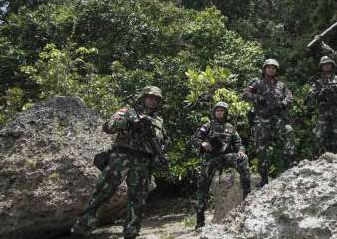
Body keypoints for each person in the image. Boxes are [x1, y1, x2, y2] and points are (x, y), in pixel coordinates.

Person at [71, 86, 168, 239]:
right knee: (102, 192)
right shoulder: (127, 111)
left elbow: (162, 141)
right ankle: (81, 229)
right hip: (121, 157)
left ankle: (131, 232)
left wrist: (160, 154)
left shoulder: (159, 121)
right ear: (143, 97)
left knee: (138, 199)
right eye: (150, 97)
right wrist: (128, 122)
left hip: (143, 162)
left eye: (156, 99)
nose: (153, 101)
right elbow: (108, 127)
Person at [191, 101, 251, 229]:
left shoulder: (230, 127)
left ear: (225, 113)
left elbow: (239, 142)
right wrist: (203, 144)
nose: (219, 112)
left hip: (225, 157)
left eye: (222, 110)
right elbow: (195, 139)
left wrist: (241, 151)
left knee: (242, 160)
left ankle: (247, 195)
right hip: (210, 158)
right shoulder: (208, 125)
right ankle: (199, 221)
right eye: (217, 110)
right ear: (214, 112)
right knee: (202, 187)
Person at [242, 59, 296, 187]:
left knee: (288, 131)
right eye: (269, 67)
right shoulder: (257, 83)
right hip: (262, 119)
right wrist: (257, 98)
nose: (271, 69)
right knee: (262, 148)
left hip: (277, 118)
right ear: (264, 69)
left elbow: (289, 97)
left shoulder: (281, 85)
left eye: (274, 68)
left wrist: (282, 104)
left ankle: (289, 166)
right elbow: (245, 94)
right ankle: (264, 178)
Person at [306, 56, 337, 155]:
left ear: (332, 65)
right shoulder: (318, 82)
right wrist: (320, 94)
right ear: (321, 67)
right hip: (324, 113)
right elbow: (310, 98)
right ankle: (318, 159)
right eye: (324, 65)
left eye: (328, 64)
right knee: (319, 136)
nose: (326, 66)